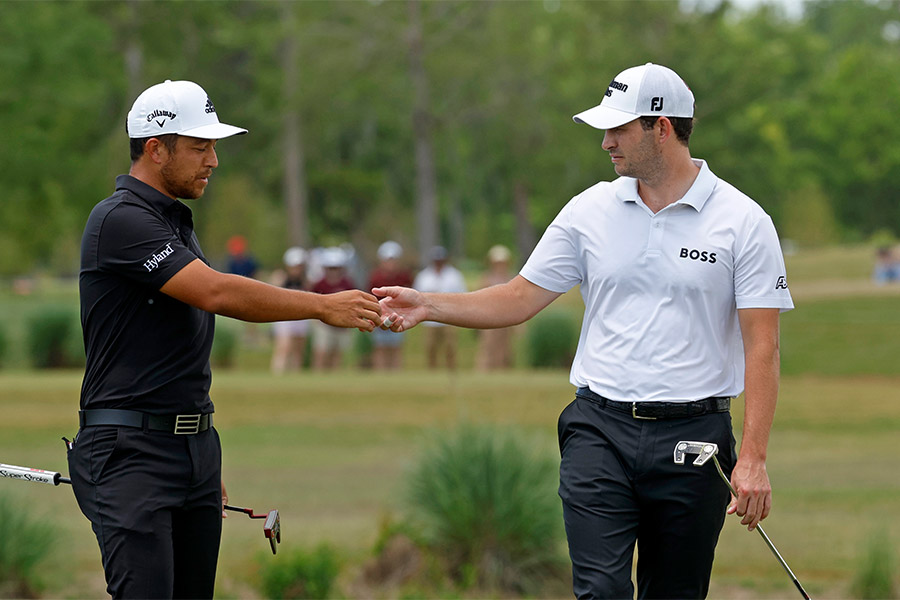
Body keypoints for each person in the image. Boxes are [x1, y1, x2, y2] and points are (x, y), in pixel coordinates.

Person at [375, 63, 794, 598]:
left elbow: (765, 344)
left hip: (696, 439)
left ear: (661, 127)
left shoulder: (743, 220)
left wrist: (754, 457)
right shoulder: (589, 210)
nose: (606, 142)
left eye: (619, 129)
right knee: (600, 592)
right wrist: (428, 304)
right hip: (599, 429)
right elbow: (520, 297)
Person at [70, 80, 380, 600]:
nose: (213, 161)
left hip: (190, 448)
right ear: (155, 149)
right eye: (200, 147)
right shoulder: (120, 220)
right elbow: (216, 291)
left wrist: (196, 458)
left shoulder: (173, 222)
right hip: (130, 453)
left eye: (213, 147)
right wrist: (323, 305)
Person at [412, 246, 467, 370]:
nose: (438, 262)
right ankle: (432, 371)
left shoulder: (454, 275)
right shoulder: (424, 276)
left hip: (450, 317)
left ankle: (451, 370)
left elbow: (463, 295)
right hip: (430, 320)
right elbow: (416, 294)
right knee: (430, 347)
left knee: (450, 346)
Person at [368, 241, 414, 370]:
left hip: (399, 315)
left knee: (396, 347)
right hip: (379, 315)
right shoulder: (375, 277)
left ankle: (395, 373)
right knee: (380, 347)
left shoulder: (404, 276)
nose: (390, 264)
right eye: (388, 260)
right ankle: (380, 373)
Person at [310, 247, 358, 370]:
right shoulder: (319, 284)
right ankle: (319, 376)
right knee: (322, 352)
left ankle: (335, 377)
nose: (333, 271)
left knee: (338, 353)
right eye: (331, 268)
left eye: (336, 268)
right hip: (323, 324)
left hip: (342, 324)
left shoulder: (347, 283)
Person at [270, 246, 310, 373]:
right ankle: (278, 373)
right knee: (283, 347)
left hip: (301, 316)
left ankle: (295, 374)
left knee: (298, 349)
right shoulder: (280, 277)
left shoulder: (305, 280)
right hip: (284, 316)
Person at [474, 244, 515, 370]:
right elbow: (478, 300)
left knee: (505, 348)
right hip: (488, 319)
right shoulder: (486, 279)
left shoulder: (511, 278)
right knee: (487, 346)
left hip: (506, 319)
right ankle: (484, 370)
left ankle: (503, 371)